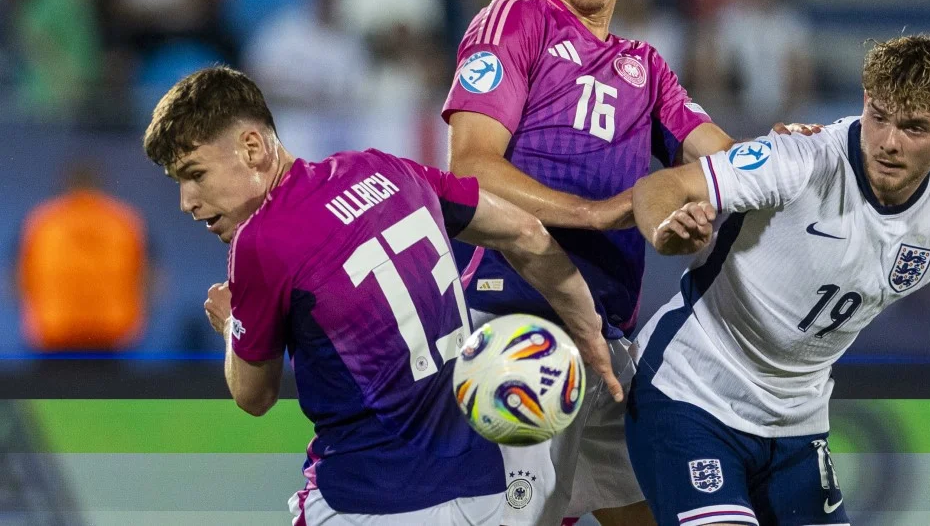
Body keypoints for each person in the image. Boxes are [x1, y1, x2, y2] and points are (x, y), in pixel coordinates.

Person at [627, 35, 930, 526]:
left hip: (796, 426)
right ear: (865, 103)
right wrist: (666, 232)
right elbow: (661, 186)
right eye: (880, 117)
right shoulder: (801, 158)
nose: (889, 141)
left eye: (913, 128)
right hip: (691, 394)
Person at [142, 66, 620, 526]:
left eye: (195, 174)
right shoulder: (385, 169)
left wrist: (231, 327)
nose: (187, 201)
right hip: (483, 493)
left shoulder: (260, 241)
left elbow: (254, 395)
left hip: (367, 499)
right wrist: (589, 329)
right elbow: (526, 231)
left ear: (252, 147)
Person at [441, 0, 736, 525]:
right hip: (519, 323)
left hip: (607, 342)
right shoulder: (514, 23)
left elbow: (720, 157)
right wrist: (595, 214)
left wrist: (796, 152)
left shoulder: (648, 67)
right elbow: (472, 169)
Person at [15, 162, 151, 352]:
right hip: (112, 334)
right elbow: (148, 278)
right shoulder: (124, 221)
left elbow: (20, 279)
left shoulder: (43, 221)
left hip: (55, 332)